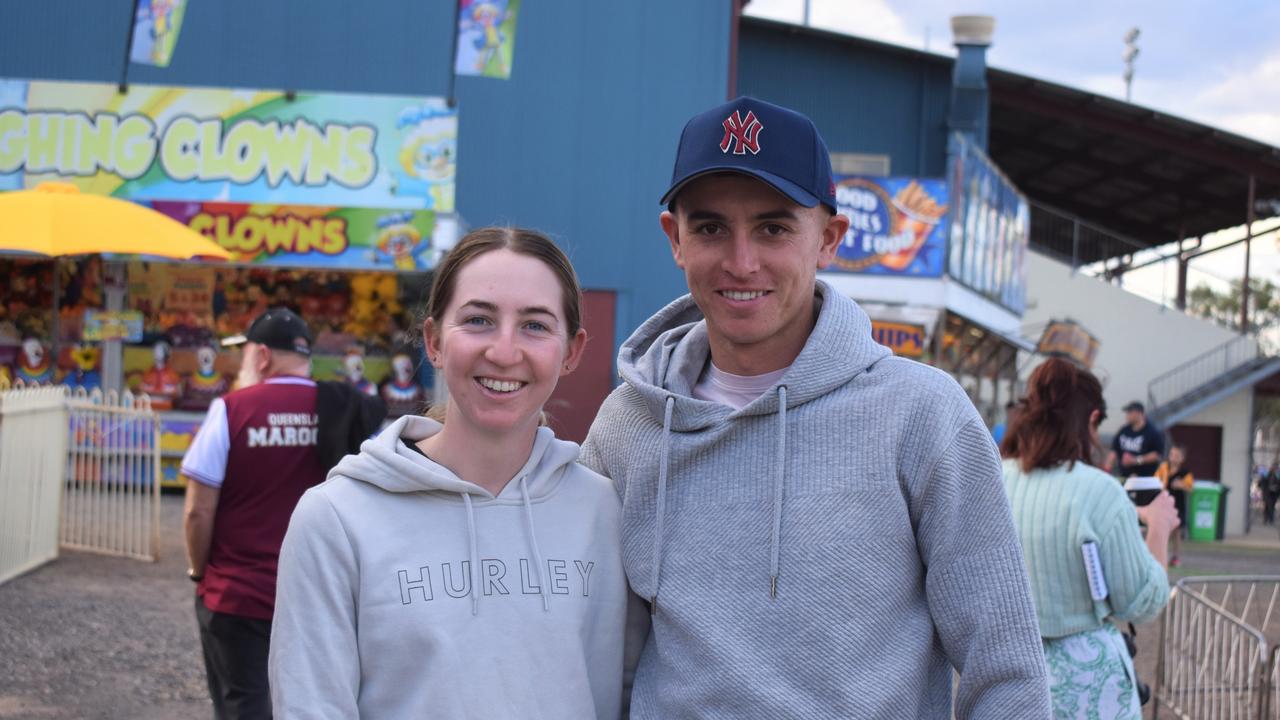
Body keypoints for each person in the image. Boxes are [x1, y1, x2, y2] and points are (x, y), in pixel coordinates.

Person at [581, 96, 1050, 719]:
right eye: (711, 227)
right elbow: (593, 650)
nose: (741, 261)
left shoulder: (921, 415)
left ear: (828, 239)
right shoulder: (628, 425)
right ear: (675, 238)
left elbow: (1007, 671)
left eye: (774, 228)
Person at [269, 228, 645, 719]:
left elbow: (635, 697)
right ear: (434, 342)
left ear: (571, 351)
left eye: (534, 325)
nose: (504, 352)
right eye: (478, 320)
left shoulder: (607, 514)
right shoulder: (336, 520)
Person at [182, 307, 385, 720]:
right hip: (320, 592)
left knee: (244, 704)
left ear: (260, 356)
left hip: (236, 594)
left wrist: (199, 572)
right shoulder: (345, 407)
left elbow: (197, 511)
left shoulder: (231, 408)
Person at [1001, 358, 1177, 719]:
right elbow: (1140, 601)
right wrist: (1158, 529)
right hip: (1086, 683)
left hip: (1006, 675)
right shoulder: (1100, 491)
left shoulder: (994, 479)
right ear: (1092, 419)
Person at [1155, 444, 1195, 566]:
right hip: (1164, 503)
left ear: (1182, 458)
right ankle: (1161, 555)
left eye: (1177, 455)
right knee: (1164, 530)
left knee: (1176, 532)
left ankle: (1176, 556)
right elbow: (1156, 480)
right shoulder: (1164, 468)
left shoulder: (1185, 473)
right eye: (1172, 454)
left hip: (1178, 505)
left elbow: (1190, 488)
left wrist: (1181, 485)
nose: (1173, 458)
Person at [1106, 400, 1164, 478]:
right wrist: (1107, 470)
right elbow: (1114, 451)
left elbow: (1157, 455)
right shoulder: (1124, 430)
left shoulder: (1152, 432)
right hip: (1124, 477)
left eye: (1130, 412)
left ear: (1139, 413)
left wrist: (1135, 460)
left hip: (1144, 479)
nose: (1127, 415)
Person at [1265, 460, 1280, 526]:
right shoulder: (1269, 474)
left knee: (1272, 506)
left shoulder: (1278, 474)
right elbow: (1264, 482)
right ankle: (1268, 519)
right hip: (1268, 493)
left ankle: (1269, 519)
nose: (1275, 468)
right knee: (1269, 506)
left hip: (1275, 493)